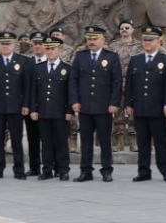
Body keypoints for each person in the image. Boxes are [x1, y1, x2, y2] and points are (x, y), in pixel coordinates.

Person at [69, 26, 122, 182]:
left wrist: (114, 103)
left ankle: (106, 170)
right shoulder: (80, 56)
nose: (91, 42)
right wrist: (75, 100)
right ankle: (86, 170)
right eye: (89, 39)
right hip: (84, 106)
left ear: (102, 40)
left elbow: (117, 81)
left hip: (104, 106)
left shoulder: (111, 57)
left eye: (95, 39)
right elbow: (73, 80)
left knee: (105, 140)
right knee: (86, 141)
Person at [125, 27, 166, 182]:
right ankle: (144, 171)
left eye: (150, 40)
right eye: (145, 40)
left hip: (158, 109)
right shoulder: (135, 60)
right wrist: (128, 104)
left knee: (161, 142)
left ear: (159, 41)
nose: (147, 42)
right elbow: (129, 85)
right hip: (140, 108)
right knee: (142, 142)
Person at [0, 32, 31, 180]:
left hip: (16, 106)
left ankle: (19, 169)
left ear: (14, 45)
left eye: (8, 44)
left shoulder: (23, 61)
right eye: (3, 44)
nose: (5, 46)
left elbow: (27, 86)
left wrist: (26, 104)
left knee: (16, 138)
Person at [29, 36, 74, 181]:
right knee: (46, 142)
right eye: (47, 48)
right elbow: (34, 91)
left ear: (59, 50)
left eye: (52, 48)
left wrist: (69, 111)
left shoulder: (67, 69)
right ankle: (47, 169)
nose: (49, 51)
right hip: (43, 112)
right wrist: (34, 110)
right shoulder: (38, 68)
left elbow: (70, 92)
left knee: (61, 143)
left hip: (60, 113)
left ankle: (63, 169)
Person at [109, 18, 143, 152]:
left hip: (134, 84)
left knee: (134, 114)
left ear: (132, 30)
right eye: (122, 28)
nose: (124, 30)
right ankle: (118, 142)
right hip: (117, 83)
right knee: (118, 115)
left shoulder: (140, 46)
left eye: (127, 28)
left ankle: (134, 143)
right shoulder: (113, 46)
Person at [48, 26, 78, 153]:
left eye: (58, 34)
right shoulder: (48, 49)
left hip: (66, 82)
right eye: (53, 34)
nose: (56, 36)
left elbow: (72, 67)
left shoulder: (70, 50)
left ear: (63, 37)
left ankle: (73, 140)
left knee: (71, 117)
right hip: (53, 84)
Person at [24, 32, 48, 177]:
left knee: (48, 140)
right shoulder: (27, 63)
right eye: (35, 43)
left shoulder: (52, 61)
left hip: (48, 107)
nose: (38, 46)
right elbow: (25, 87)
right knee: (32, 139)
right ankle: (34, 167)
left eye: (41, 43)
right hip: (32, 107)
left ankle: (51, 166)